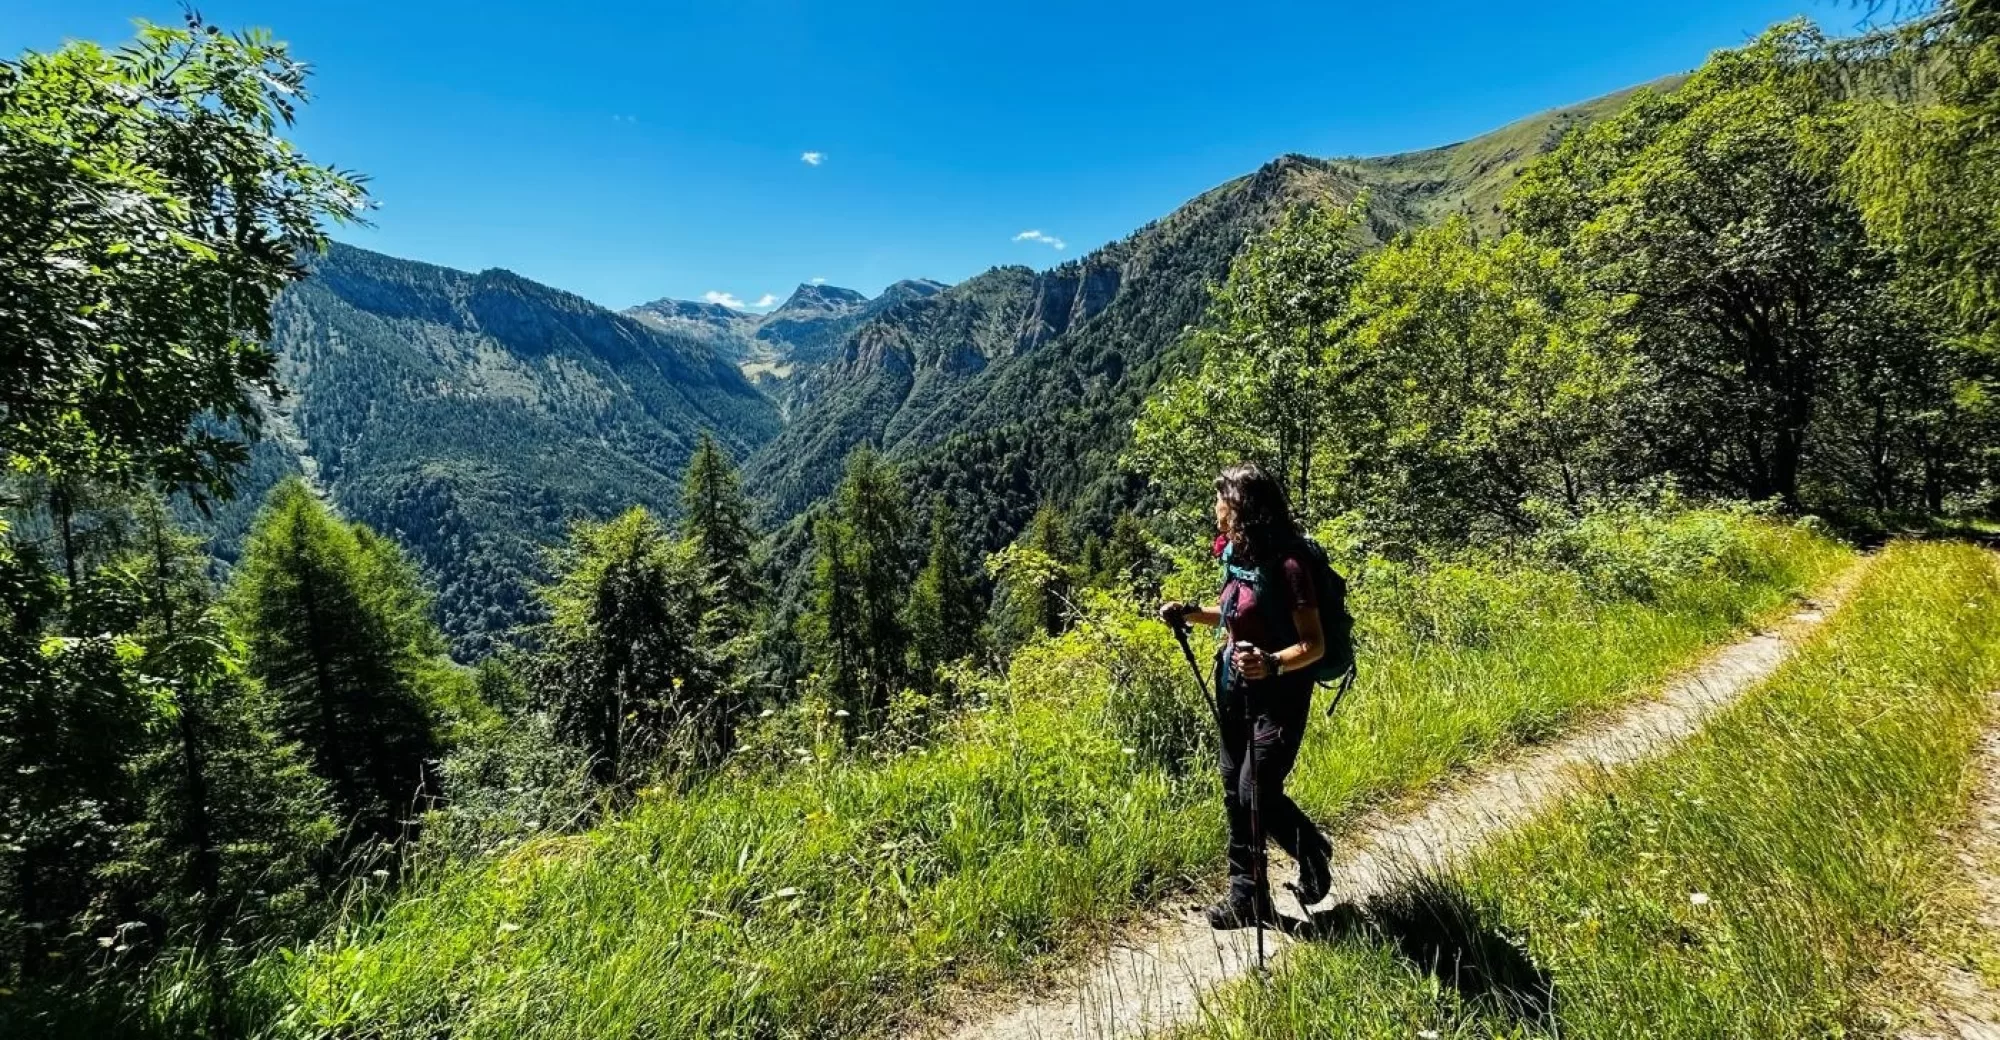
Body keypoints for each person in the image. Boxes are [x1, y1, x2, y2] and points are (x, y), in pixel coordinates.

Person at [1159, 462, 1334, 928]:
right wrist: (1192, 613)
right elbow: (1236, 614)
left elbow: (1315, 644)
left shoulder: (1290, 565)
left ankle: (1311, 850)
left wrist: (1273, 662)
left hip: (1279, 696)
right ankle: (1247, 896)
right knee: (1234, 791)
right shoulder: (1239, 555)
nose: (1214, 509)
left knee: (1255, 790)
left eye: (1220, 500)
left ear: (1241, 508)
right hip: (1234, 688)